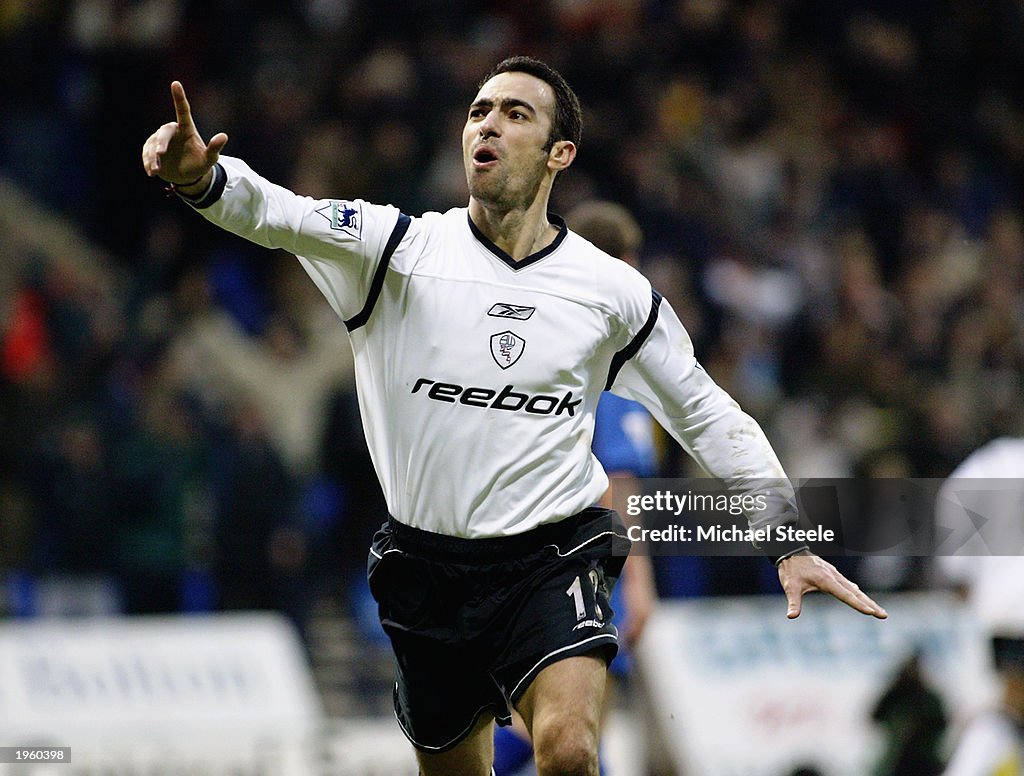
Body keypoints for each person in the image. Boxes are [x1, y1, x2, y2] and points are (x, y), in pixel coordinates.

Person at [141, 55, 886, 776]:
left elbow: (706, 412)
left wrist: (785, 537)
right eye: (477, 112)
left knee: (564, 749)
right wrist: (203, 179)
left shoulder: (611, 291)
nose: (487, 126)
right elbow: (278, 213)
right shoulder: (396, 248)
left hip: (552, 555)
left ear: (560, 152)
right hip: (426, 566)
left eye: (514, 113)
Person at [492, 201, 658, 776]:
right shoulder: (607, 362)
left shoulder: (538, 343)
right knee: (571, 734)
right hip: (583, 571)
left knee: (555, 731)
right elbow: (618, 485)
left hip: (523, 561)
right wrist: (637, 586)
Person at [934, 437, 1024, 775]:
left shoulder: (991, 462)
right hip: (1005, 616)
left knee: (998, 711)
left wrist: (963, 574)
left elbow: (949, 514)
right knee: (1004, 713)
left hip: (1000, 613)